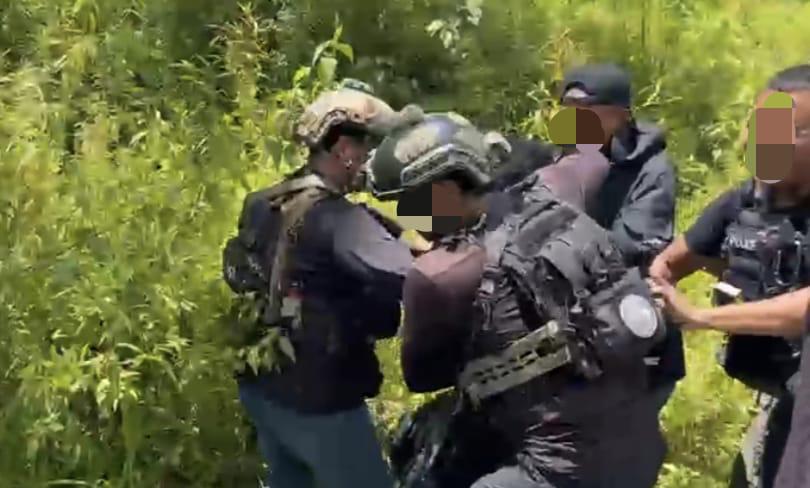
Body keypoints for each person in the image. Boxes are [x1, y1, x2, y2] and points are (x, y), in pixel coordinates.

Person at [369, 112, 668, 487]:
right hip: (640, 448)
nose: (406, 215)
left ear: (443, 192)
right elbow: (590, 158)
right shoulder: (559, 191)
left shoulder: (438, 275)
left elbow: (424, 377)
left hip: (554, 475)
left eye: (407, 202)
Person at [221, 79, 423, 488]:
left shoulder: (267, 201)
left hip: (265, 385)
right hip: (322, 403)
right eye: (368, 146)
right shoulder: (338, 221)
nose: (372, 157)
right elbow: (418, 279)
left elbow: (378, 234)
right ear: (344, 150)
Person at [648, 64, 810, 488]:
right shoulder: (743, 203)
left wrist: (701, 317)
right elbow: (667, 265)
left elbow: (805, 310)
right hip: (777, 392)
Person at [554, 63, 683, 418]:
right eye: (568, 110)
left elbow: (629, 245)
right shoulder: (562, 156)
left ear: (621, 116)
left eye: (587, 111)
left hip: (632, 326)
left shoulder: (653, 169)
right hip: (574, 327)